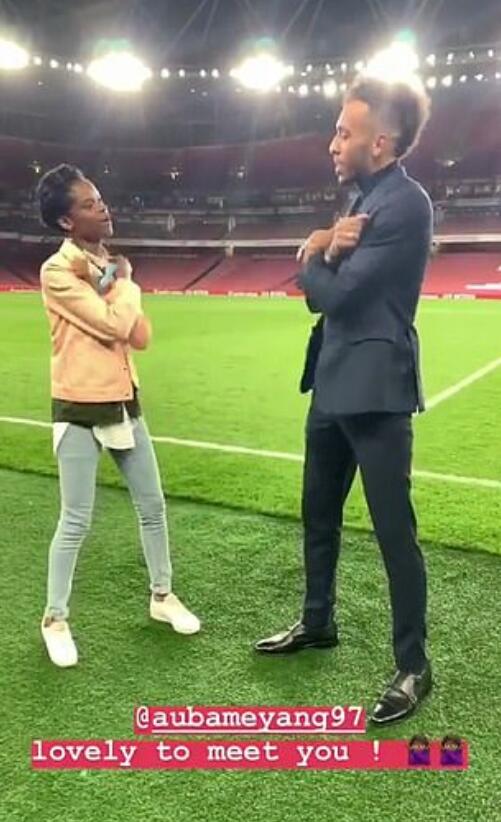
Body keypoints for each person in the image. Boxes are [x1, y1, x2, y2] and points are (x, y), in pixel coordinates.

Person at [255, 77, 433, 725]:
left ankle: (413, 665)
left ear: (378, 142)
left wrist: (313, 247)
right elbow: (317, 299)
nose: (332, 143)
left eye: (342, 132)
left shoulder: (404, 204)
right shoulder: (360, 200)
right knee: (318, 514)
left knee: (393, 533)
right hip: (331, 384)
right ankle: (316, 622)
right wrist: (327, 244)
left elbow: (335, 294)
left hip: (377, 392)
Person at [37, 164, 200, 668]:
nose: (103, 208)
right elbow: (111, 326)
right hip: (78, 408)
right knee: (75, 519)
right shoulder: (56, 272)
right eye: (89, 204)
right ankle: (55, 619)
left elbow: (140, 337)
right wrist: (125, 284)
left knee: (153, 506)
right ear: (67, 222)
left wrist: (118, 284)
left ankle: (162, 596)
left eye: (101, 199)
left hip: (124, 402)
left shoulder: (105, 268)